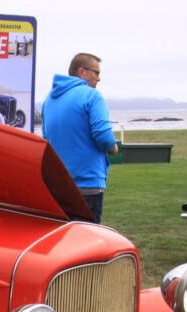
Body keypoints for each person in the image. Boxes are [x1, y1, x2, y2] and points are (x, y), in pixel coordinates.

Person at [42, 53, 118, 223]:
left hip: (58, 186)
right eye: (96, 73)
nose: (99, 78)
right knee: (85, 242)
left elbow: (46, 140)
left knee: (62, 241)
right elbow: (104, 136)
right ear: (83, 72)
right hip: (87, 184)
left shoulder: (49, 100)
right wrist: (113, 148)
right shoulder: (91, 95)